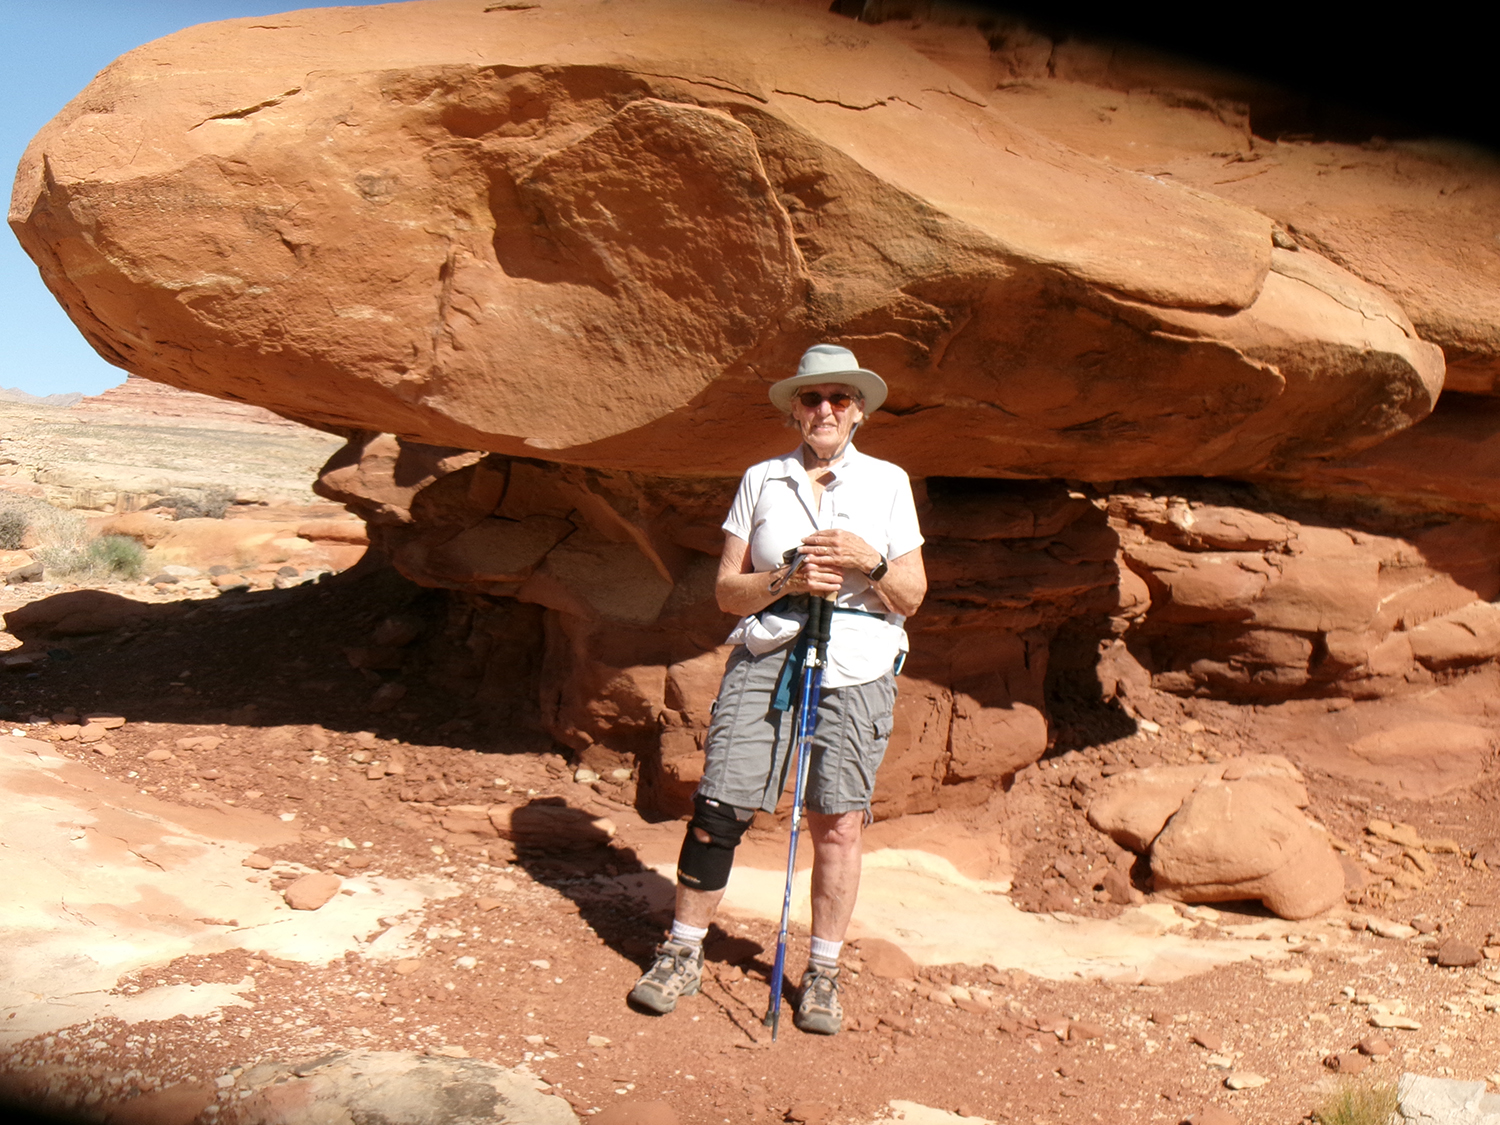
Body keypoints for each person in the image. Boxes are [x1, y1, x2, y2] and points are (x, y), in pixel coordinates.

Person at [628, 343, 926, 1034]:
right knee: (719, 806)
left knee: (839, 819)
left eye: (839, 398)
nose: (825, 409)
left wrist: (867, 559)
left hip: (858, 654)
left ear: (858, 412)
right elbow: (727, 591)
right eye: (812, 398)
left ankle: (821, 969)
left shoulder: (887, 482)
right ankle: (682, 950)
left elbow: (910, 592)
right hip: (771, 645)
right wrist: (783, 581)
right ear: (794, 408)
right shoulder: (763, 478)